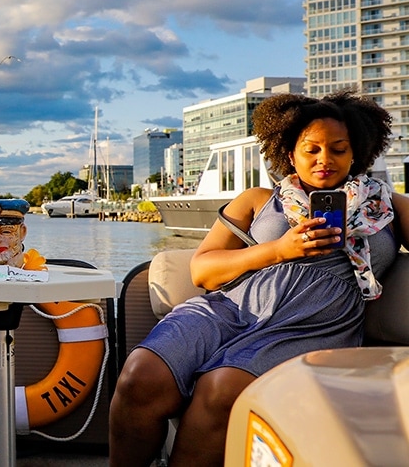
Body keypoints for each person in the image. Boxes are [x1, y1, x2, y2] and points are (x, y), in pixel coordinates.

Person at [109, 90, 409, 466]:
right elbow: (203, 271)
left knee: (220, 390)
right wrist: (278, 250)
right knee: (139, 376)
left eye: (338, 149)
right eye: (311, 149)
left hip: (313, 324)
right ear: (289, 154)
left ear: (356, 154)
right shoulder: (257, 199)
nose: (324, 160)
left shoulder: (387, 206)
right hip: (229, 309)